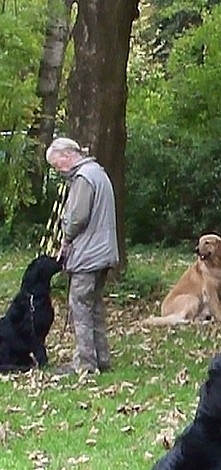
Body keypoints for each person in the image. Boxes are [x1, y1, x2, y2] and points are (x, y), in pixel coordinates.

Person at [46, 137, 119, 374]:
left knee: (79, 305)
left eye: (58, 165)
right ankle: (102, 358)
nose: (59, 171)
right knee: (94, 305)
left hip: (88, 254)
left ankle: (85, 363)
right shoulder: (98, 172)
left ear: (67, 155)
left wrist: (65, 236)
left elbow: (77, 217)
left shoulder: (83, 178)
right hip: (104, 251)